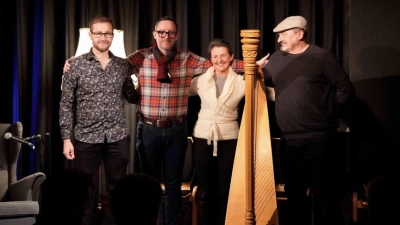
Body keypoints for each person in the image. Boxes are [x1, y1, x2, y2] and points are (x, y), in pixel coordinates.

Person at [64, 16, 268, 225]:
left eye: (171, 32)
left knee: (173, 185)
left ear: (176, 35)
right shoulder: (140, 57)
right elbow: (110, 65)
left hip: (176, 130)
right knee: (147, 185)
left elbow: (218, 63)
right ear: (155, 34)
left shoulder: (187, 58)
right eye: (161, 32)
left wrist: (252, 65)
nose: (166, 36)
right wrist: (73, 62)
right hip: (148, 129)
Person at [262, 16, 355, 225]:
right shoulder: (276, 59)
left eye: (284, 35)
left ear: (300, 34)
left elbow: (345, 89)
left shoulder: (321, 57)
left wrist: (327, 111)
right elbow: (259, 85)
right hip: (288, 141)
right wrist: (255, 70)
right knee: (294, 196)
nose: (279, 40)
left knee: (325, 197)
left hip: (320, 140)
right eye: (278, 35)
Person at [59, 16, 131, 225]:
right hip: (86, 137)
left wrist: (145, 80)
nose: (103, 37)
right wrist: (66, 138)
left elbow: (131, 96)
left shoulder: (123, 66)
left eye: (107, 33)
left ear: (112, 35)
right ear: (91, 35)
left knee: (118, 191)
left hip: (117, 136)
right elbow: (65, 104)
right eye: (98, 33)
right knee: (84, 190)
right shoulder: (75, 65)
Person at [189, 38, 251, 225]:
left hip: (230, 137)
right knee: (206, 188)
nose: (219, 59)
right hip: (202, 137)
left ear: (231, 57)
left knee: (227, 188)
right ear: (210, 59)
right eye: (215, 56)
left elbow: (266, 94)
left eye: (223, 55)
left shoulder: (242, 82)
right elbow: (177, 92)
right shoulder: (199, 81)